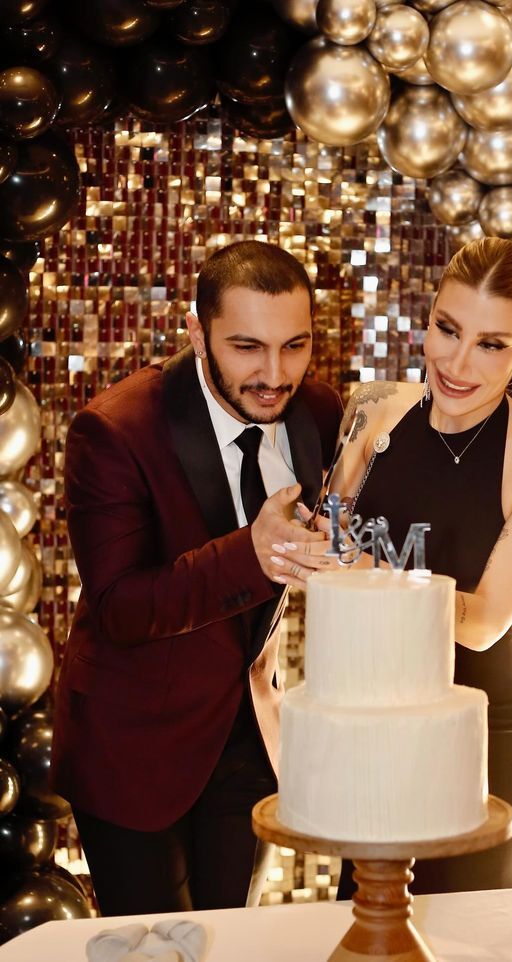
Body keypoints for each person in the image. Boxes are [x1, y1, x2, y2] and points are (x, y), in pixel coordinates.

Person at [277, 237, 512, 895]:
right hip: (367, 717)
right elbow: (320, 547)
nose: (457, 362)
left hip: (471, 736)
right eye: (448, 329)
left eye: (491, 344)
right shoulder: (377, 412)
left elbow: (483, 624)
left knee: (466, 936)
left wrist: (352, 564)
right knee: (366, 925)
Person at [50, 240, 343, 915]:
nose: (275, 374)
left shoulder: (318, 413)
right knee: (153, 952)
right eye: (246, 348)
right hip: (135, 748)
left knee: (232, 940)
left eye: (295, 346)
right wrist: (250, 555)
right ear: (196, 331)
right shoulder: (115, 430)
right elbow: (120, 607)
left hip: (249, 740)